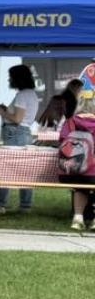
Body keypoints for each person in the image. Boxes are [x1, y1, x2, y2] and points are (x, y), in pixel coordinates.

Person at [0, 63, 39, 214]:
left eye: (10, 77)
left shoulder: (21, 95)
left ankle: (0, 203)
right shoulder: (31, 94)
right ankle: (25, 204)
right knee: (25, 170)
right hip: (25, 131)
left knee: (5, 167)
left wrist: (2, 112)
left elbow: (17, 118)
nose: (9, 80)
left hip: (15, 132)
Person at [61, 91, 95, 231]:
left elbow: (62, 141)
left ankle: (78, 218)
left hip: (72, 170)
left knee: (80, 187)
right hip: (92, 171)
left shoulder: (70, 121)